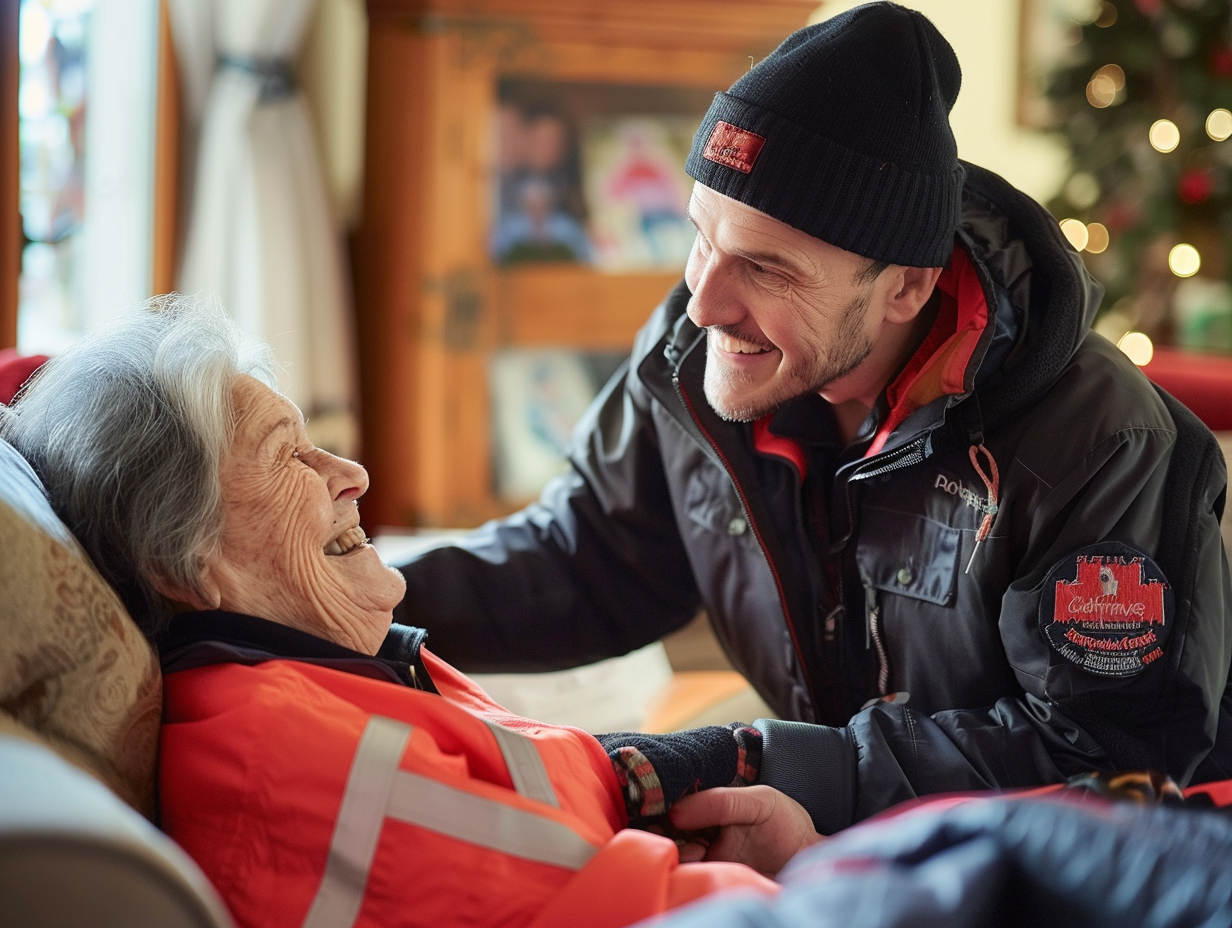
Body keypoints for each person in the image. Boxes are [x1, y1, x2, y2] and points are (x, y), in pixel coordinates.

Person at [395, 0, 1232, 856]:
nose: (705, 304)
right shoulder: (698, 349)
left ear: (906, 287)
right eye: (701, 239)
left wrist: (784, 772)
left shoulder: (1103, 446)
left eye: (764, 266)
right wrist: (351, 590)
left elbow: (1107, 761)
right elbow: (587, 561)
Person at [0, 296, 782, 928]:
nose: (353, 474)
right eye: (291, 456)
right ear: (185, 564)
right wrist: (810, 865)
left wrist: (684, 771)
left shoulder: (316, 661)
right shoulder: (294, 756)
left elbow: (545, 795)